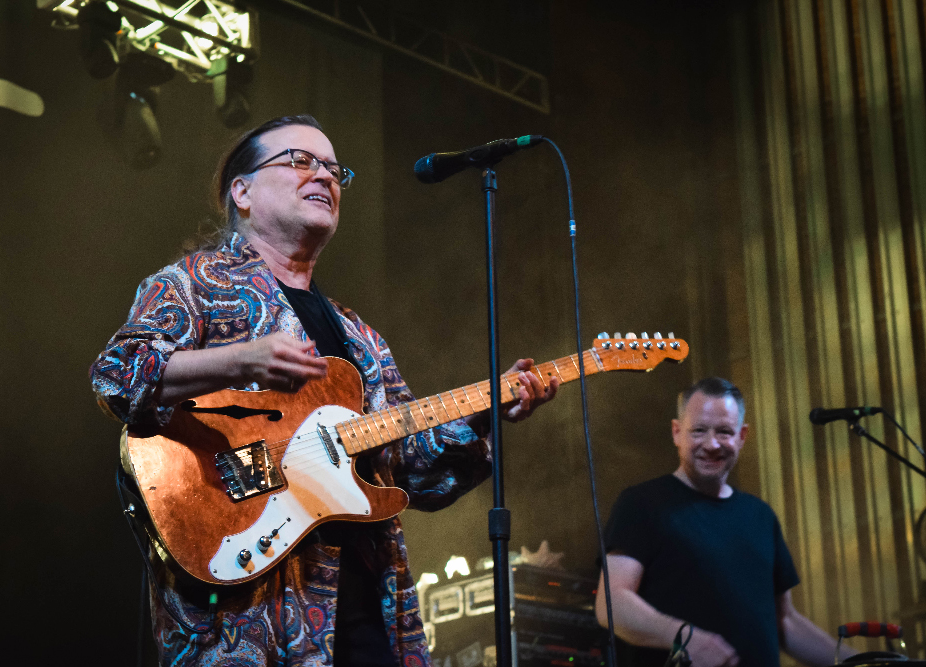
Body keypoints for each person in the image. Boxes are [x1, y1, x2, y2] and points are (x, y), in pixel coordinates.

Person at [90, 114, 558, 667]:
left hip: (366, 603)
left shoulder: (360, 337)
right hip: (248, 607)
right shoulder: (191, 284)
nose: (325, 177)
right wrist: (239, 359)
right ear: (241, 191)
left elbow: (411, 469)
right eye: (300, 161)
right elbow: (117, 374)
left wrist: (485, 412)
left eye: (335, 169)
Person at [595, 377, 853, 667]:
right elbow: (612, 603)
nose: (711, 443)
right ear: (676, 433)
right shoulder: (641, 504)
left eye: (724, 432)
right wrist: (686, 637)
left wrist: (861, 661)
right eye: (699, 431)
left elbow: (786, 623)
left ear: (742, 436)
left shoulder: (760, 516)